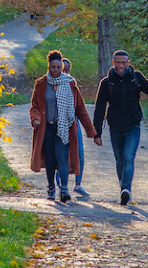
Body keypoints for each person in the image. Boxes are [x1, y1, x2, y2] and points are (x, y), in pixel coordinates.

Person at [92, 50, 148, 206]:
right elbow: (99, 108)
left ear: (128, 63)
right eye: (118, 62)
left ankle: (125, 189)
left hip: (132, 125)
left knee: (128, 157)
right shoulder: (107, 83)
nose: (121, 65)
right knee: (120, 161)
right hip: (115, 127)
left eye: (124, 62)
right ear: (113, 63)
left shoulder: (136, 78)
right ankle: (124, 191)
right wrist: (96, 133)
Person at [30, 50, 96, 202]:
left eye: (58, 67)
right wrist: (35, 119)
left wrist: (90, 130)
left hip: (64, 129)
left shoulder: (70, 84)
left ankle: (64, 189)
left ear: (62, 67)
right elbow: (35, 106)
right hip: (47, 129)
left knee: (62, 158)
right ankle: (51, 187)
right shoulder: (41, 84)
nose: (56, 70)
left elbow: (80, 108)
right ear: (49, 67)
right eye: (53, 67)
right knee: (51, 160)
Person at [60, 58, 89, 197]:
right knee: (61, 155)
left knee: (80, 154)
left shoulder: (73, 84)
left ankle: (78, 184)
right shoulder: (51, 85)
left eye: (66, 70)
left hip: (74, 123)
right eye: (61, 70)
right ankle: (61, 186)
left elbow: (80, 107)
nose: (64, 72)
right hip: (59, 124)